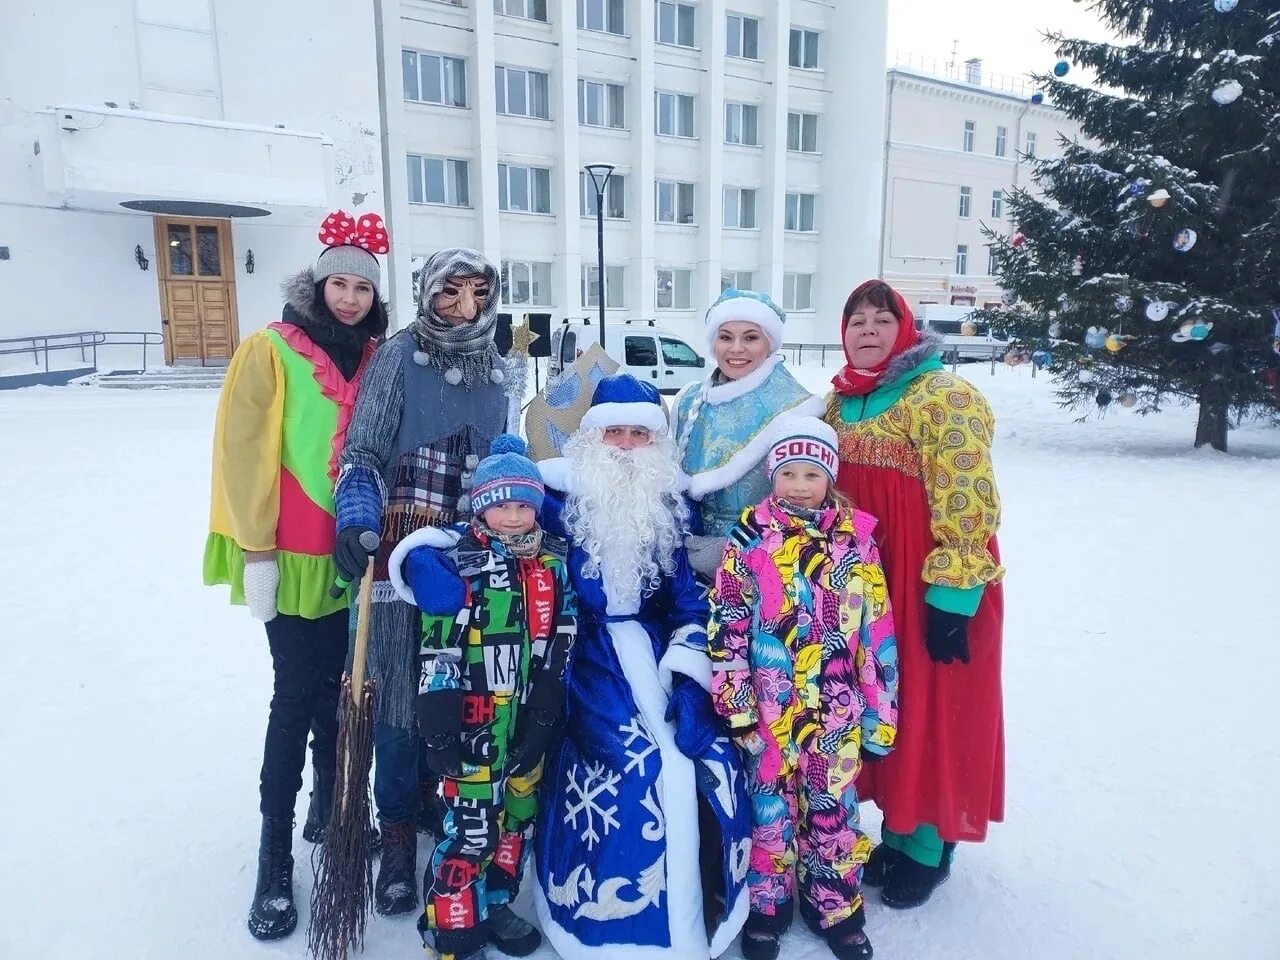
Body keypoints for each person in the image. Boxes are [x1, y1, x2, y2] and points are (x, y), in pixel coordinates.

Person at [203, 210, 390, 940]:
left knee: (342, 694)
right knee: (296, 693)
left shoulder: (379, 358)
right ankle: (273, 858)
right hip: (289, 554)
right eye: (337, 284)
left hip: (359, 559)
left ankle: (330, 811)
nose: (349, 298)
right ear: (316, 284)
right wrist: (256, 550)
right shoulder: (271, 351)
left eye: (361, 288)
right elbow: (242, 453)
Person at [532, 374, 751, 960]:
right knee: (638, 767)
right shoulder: (555, 503)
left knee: (711, 758)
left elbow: (685, 599)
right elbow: (492, 527)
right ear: (592, 438)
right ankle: (617, 928)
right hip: (585, 655)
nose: (627, 446)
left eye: (638, 434)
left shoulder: (668, 509)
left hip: (654, 653)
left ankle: (712, 907)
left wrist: (689, 673)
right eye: (615, 433)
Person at [332, 247, 510, 916]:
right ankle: (397, 829)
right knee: (400, 694)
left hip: (469, 552)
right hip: (400, 547)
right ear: (427, 294)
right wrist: (356, 517)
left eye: (476, 294)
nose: (464, 308)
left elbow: (500, 458)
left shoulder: (499, 366)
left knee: (454, 690)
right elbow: (366, 451)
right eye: (450, 293)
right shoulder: (398, 357)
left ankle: (443, 805)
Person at [823, 279, 1005, 909]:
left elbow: (967, 497)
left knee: (932, 705)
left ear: (904, 329)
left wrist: (952, 598)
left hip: (930, 582)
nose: (867, 331)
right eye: (856, 321)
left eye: (880, 319)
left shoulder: (943, 396)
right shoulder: (836, 405)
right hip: (863, 588)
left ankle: (929, 842)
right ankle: (897, 830)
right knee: (883, 704)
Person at [708, 417, 898, 960]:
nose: (797, 484)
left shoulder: (856, 543)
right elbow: (727, 626)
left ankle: (834, 905)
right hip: (770, 713)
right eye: (787, 472)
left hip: (836, 714)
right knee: (769, 810)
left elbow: (876, 633)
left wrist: (879, 718)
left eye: (810, 474)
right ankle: (768, 906)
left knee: (832, 810)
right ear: (772, 476)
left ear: (829, 478)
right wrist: (737, 705)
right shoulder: (749, 540)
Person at [387, 434, 577, 960]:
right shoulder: (461, 564)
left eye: (523, 505)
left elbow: (562, 638)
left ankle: (495, 901)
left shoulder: (553, 565)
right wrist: (439, 720)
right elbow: (439, 648)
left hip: (527, 720)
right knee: (471, 828)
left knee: (516, 817)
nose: (513, 516)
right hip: (473, 725)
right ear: (481, 506)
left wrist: (544, 710)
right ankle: (452, 923)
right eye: (500, 505)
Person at [672, 289, 826, 579]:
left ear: (769, 343)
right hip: (692, 559)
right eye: (726, 337)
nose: (736, 349)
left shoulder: (795, 409)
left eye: (751, 337)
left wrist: (738, 549)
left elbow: (808, 501)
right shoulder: (689, 402)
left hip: (768, 560)